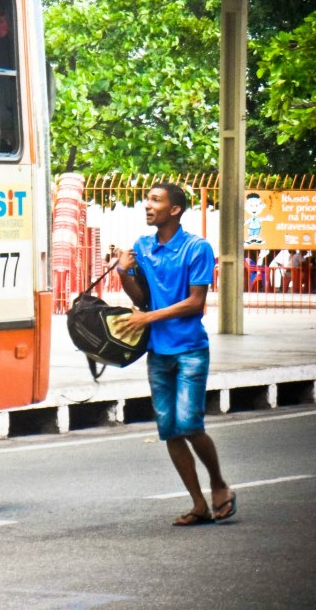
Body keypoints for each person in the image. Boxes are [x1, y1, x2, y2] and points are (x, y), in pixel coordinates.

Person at [112, 182, 236, 527]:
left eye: (155, 200)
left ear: (175, 209)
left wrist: (148, 318)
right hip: (159, 351)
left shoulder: (197, 248)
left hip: (190, 349)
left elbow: (196, 302)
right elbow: (141, 299)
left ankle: (218, 483)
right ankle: (198, 504)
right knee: (169, 429)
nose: (147, 205)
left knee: (190, 424)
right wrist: (123, 271)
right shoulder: (143, 247)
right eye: (147, 200)